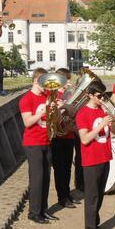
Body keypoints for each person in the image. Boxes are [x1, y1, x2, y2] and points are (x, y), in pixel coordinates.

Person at [76, 80, 114, 229]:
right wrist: (102, 125)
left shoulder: (101, 110)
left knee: (99, 194)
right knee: (92, 197)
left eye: (104, 96)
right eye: (99, 96)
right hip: (91, 159)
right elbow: (85, 139)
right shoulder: (82, 113)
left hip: (105, 156)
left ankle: (96, 225)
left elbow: (107, 133)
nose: (102, 99)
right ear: (90, 95)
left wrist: (111, 126)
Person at [19, 68, 55, 224]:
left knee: (46, 178)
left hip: (46, 140)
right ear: (35, 81)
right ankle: (34, 212)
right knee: (37, 178)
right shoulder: (26, 99)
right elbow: (27, 122)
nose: (46, 87)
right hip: (33, 143)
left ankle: (43, 209)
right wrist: (43, 112)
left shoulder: (46, 96)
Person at [51, 68, 80, 209]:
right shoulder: (54, 94)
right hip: (58, 135)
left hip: (69, 134)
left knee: (68, 167)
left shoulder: (70, 94)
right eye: (66, 79)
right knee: (60, 168)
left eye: (69, 79)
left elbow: (75, 112)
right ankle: (61, 197)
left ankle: (67, 193)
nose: (69, 82)